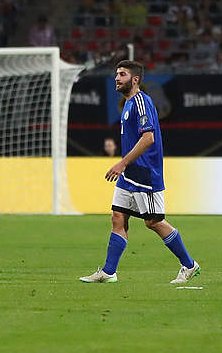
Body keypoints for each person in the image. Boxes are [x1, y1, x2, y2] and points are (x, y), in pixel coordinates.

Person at [80, 60, 200, 284]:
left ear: (134, 80)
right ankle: (108, 272)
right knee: (118, 217)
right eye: (116, 74)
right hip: (129, 174)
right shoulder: (126, 105)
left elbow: (148, 138)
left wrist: (122, 163)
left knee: (153, 222)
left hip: (145, 172)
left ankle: (189, 264)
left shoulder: (141, 102)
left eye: (122, 74)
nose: (117, 78)